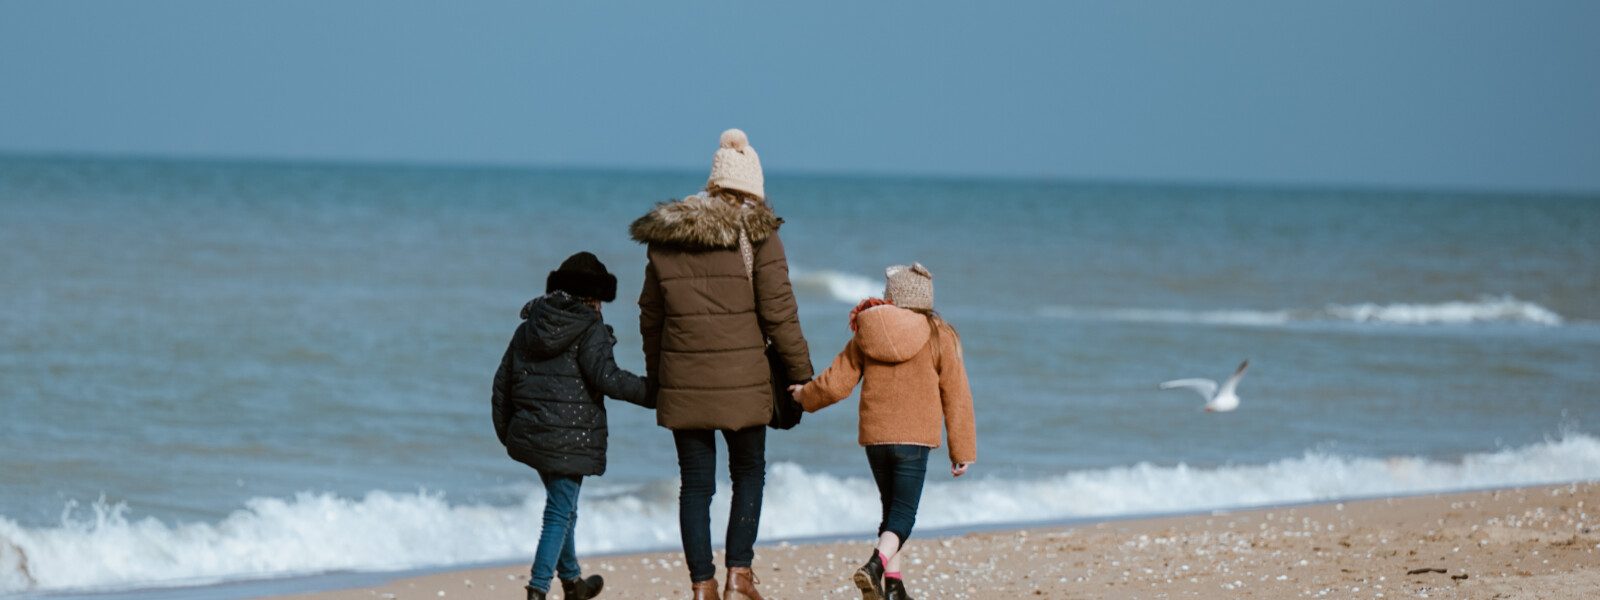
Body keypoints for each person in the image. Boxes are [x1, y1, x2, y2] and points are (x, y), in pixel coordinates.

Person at [631, 129, 813, 600]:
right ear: (754, 187)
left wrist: (658, 376)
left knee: (695, 485)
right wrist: (801, 375)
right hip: (744, 382)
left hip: (683, 381)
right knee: (748, 474)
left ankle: (701, 584)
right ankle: (739, 576)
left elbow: (651, 314)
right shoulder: (758, 233)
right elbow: (780, 311)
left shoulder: (666, 238)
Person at [787, 263, 977, 600]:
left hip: (876, 438)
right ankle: (875, 565)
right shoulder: (938, 333)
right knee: (903, 516)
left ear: (891, 296)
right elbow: (956, 393)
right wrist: (961, 450)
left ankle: (893, 588)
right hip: (914, 438)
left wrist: (804, 396)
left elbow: (836, 383)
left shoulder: (866, 329)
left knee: (891, 510)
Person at [491, 251, 655, 600]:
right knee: (559, 511)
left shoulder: (529, 325)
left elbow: (502, 381)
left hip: (532, 435)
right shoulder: (590, 328)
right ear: (594, 298)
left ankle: (572, 582)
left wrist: (508, 432)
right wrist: (655, 392)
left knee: (564, 506)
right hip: (570, 437)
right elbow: (608, 378)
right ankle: (537, 589)